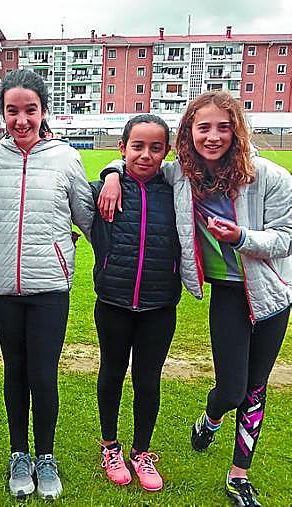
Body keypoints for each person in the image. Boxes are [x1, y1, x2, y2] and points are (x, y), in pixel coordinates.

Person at [101, 91, 292, 507]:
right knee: (230, 391)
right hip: (228, 294)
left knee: (255, 388)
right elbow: (138, 163)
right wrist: (112, 173)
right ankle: (211, 417)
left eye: (224, 127)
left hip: (272, 294)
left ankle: (239, 476)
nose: (213, 136)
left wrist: (242, 237)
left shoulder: (270, 176)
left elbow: (286, 238)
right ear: (189, 133)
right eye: (203, 127)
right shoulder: (182, 175)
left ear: (237, 131)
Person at [0, 69, 94, 500]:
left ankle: (45, 456)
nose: (22, 119)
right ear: (2, 114)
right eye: (12, 111)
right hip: (2, 287)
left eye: (30, 109)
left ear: (44, 110)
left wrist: (116, 172)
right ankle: (18, 454)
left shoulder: (66, 158)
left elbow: (87, 215)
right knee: (15, 371)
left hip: (50, 287)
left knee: (43, 374)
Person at [88, 114, 181, 493]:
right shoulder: (104, 189)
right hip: (114, 300)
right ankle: (110, 446)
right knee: (111, 373)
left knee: (148, 379)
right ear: (122, 147)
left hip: (160, 304)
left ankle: (141, 452)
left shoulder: (176, 191)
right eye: (137, 146)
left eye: (155, 148)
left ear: (166, 151)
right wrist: (112, 174)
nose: (145, 155)